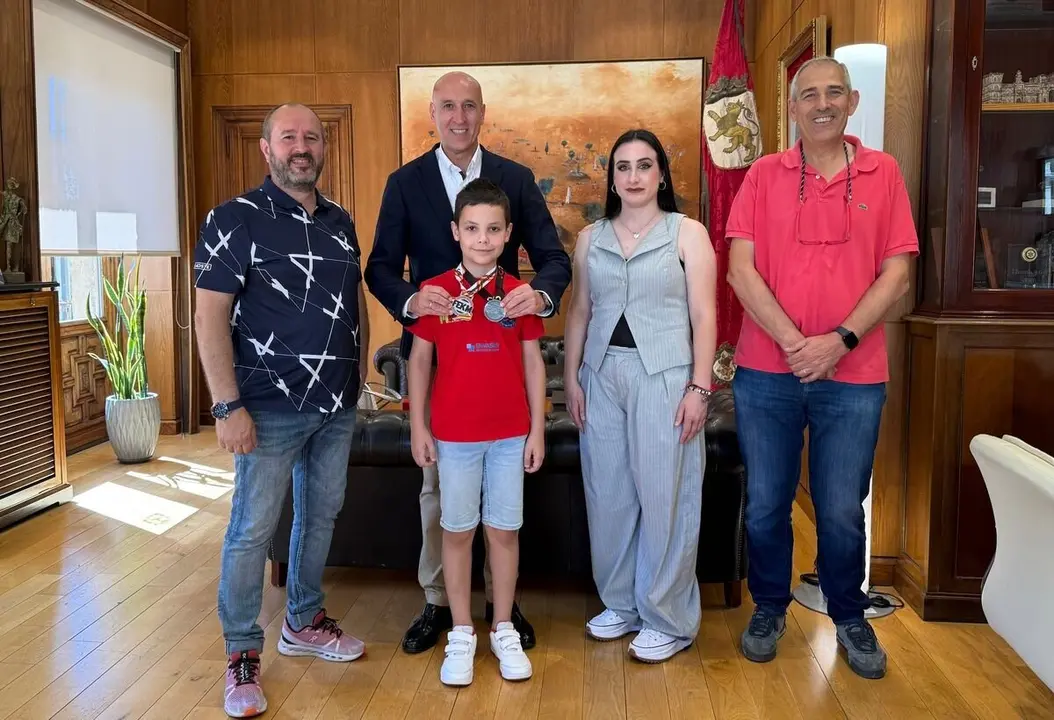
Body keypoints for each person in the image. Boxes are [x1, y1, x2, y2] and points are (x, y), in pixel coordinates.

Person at [364, 70, 572, 654]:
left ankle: (501, 611)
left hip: (502, 364)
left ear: (484, 113)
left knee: (503, 512)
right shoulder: (404, 183)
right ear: (434, 113)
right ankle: (440, 606)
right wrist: (410, 300)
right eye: (448, 107)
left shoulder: (516, 179)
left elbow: (554, 259)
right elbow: (379, 266)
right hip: (437, 363)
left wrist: (541, 294)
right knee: (439, 497)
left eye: (469, 107)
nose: (459, 117)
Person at [725, 56, 917, 680]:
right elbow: (739, 270)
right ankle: (769, 607)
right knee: (765, 504)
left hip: (855, 375)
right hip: (766, 371)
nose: (822, 103)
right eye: (809, 94)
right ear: (793, 107)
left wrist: (838, 341)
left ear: (852, 101)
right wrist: (794, 344)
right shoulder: (762, 175)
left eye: (834, 92)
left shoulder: (884, 173)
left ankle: (848, 613)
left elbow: (898, 273)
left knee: (839, 507)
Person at [193, 102, 370, 719]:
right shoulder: (234, 219)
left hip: (336, 405)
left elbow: (353, 307)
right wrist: (225, 406)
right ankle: (243, 651)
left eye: (312, 137)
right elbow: (209, 314)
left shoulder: (341, 222)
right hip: (267, 407)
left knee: (320, 518)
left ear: (324, 148)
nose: (302, 146)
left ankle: (302, 620)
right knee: (252, 530)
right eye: (289, 137)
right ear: (266, 149)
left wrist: (358, 378)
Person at [562, 129, 718, 663]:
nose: (632, 177)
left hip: (666, 376)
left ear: (661, 175)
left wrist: (700, 387)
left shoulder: (687, 233)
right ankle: (622, 604)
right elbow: (579, 311)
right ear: (612, 177)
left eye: (643, 165)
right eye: (622, 167)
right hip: (602, 375)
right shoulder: (591, 238)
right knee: (608, 495)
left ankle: (668, 618)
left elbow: (704, 314)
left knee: (665, 496)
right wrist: (573, 378)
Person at [407, 178, 546, 685]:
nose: (482, 239)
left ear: (508, 233)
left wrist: (537, 432)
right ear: (455, 232)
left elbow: (534, 364)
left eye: (492, 229)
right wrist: (419, 426)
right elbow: (419, 363)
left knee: (504, 531)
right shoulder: (436, 294)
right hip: (454, 438)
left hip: (510, 435)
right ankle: (461, 631)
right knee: (457, 530)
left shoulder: (519, 296)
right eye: (472, 229)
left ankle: (502, 625)